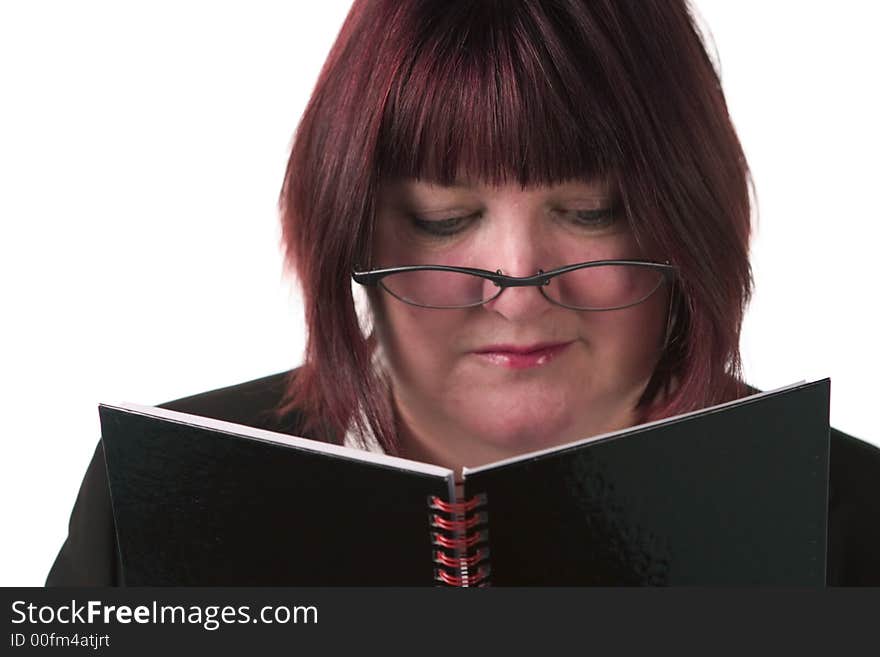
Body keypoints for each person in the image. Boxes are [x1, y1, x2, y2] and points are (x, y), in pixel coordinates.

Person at [46, 0, 879, 586]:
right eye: (444, 218)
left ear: (684, 224)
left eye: (588, 210)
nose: (516, 291)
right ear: (356, 230)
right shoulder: (154, 496)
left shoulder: (856, 519)